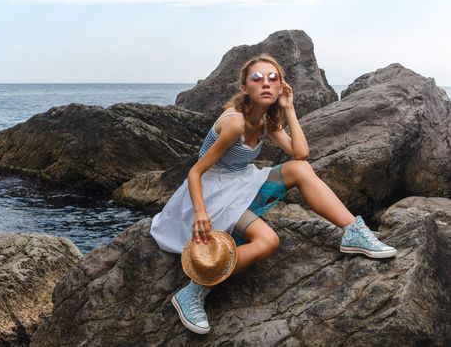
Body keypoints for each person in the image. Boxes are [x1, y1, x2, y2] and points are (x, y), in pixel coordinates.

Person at [150, 53, 397, 334]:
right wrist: (200, 214)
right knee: (268, 241)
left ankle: (353, 231)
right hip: (211, 192)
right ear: (244, 88)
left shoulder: (267, 119)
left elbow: (301, 153)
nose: (265, 84)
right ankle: (194, 290)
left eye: (273, 79)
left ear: (281, 87)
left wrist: (289, 108)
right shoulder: (235, 123)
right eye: (257, 78)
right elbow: (195, 172)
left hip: (240, 183)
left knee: (300, 169)